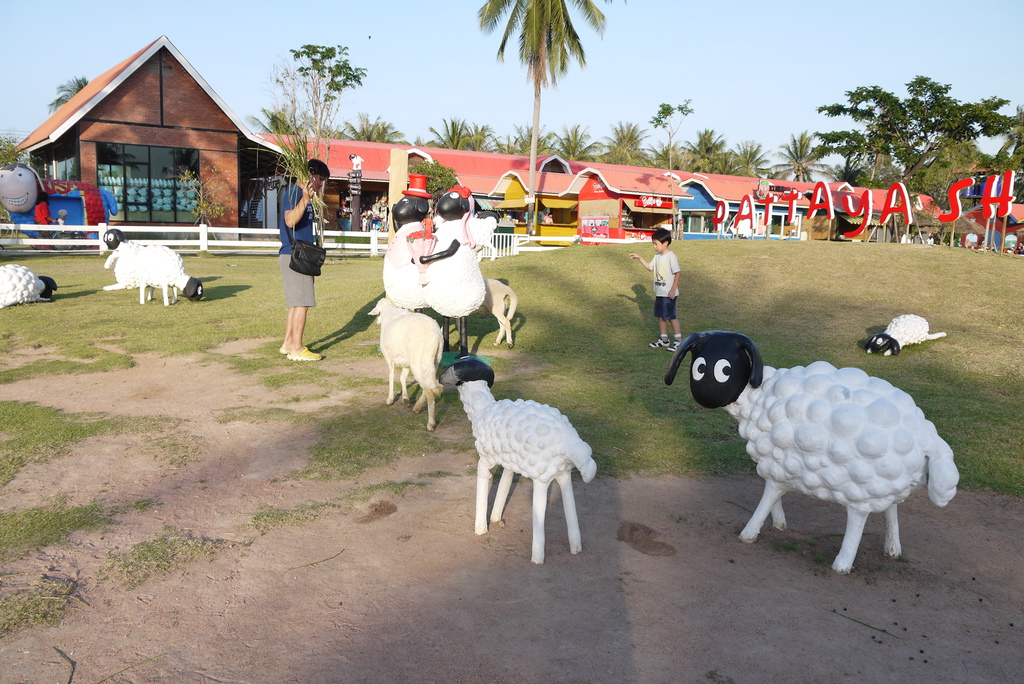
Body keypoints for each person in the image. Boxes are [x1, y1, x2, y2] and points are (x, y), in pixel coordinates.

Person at [278, 159, 329, 361]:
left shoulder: (300, 194)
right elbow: (289, 220)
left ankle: (289, 343)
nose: (322, 184)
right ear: (311, 176)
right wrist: (306, 198)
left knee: (295, 304)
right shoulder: (295, 193)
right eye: (321, 179)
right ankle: (297, 349)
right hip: (295, 255)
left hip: (295, 254)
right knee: (302, 304)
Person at [629, 227, 682, 351]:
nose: (654, 246)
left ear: (665, 243)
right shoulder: (657, 256)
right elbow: (650, 267)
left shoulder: (671, 257)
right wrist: (640, 258)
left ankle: (679, 341)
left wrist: (673, 290)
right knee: (660, 316)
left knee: (670, 316)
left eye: (656, 244)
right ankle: (664, 340)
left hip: (669, 294)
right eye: (653, 244)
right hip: (659, 293)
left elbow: (678, 273)